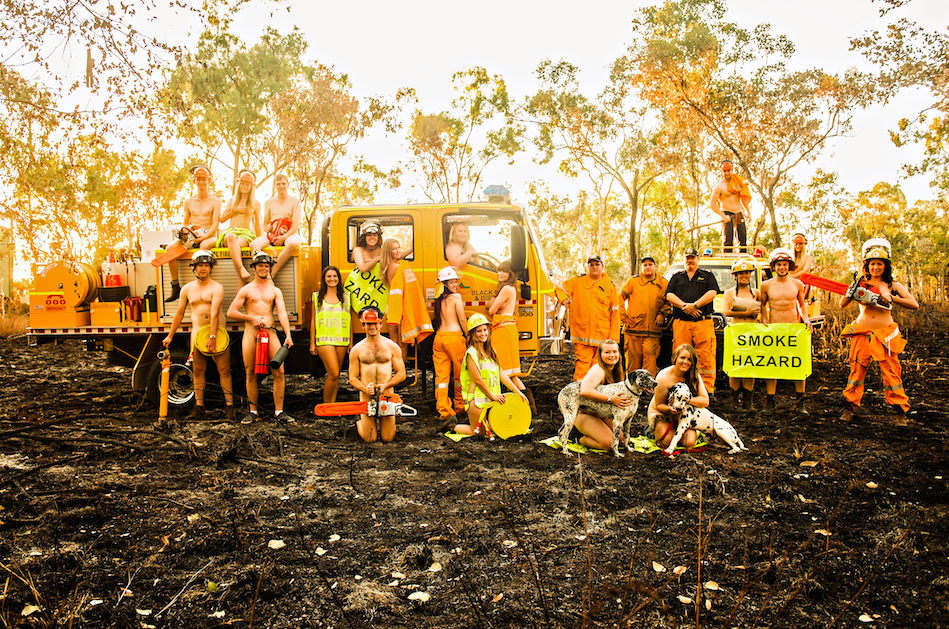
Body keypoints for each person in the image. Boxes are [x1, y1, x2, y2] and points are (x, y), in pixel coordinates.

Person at [839, 238, 919, 426]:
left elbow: (914, 304)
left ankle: (900, 412)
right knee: (857, 370)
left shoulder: (892, 285)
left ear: (886, 266)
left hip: (885, 332)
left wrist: (892, 298)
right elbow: (842, 304)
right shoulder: (861, 282)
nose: (876, 267)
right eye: (873, 264)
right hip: (862, 331)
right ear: (867, 265)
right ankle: (849, 407)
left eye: (879, 264)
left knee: (891, 372)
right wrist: (851, 292)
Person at [162, 250, 235, 421]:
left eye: (206, 265)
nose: (203, 269)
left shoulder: (217, 287)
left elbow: (215, 313)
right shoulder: (187, 289)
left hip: (217, 334)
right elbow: (180, 313)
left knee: (224, 370)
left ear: (211, 268)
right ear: (194, 267)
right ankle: (199, 407)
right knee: (198, 371)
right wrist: (170, 336)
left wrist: (212, 337)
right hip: (197, 334)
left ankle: (230, 408)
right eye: (200, 265)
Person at [227, 251, 294, 424]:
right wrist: (250, 318)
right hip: (251, 333)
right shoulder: (246, 289)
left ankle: (279, 411)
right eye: (260, 265)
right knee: (250, 373)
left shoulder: (275, 290)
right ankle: (253, 411)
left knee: (279, 372)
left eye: (266, 266)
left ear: (270, 268)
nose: (263, 268)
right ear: (254, 267)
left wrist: (288, 335)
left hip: (270, 333)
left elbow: (282, 313)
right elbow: (231, 312)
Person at [452, 313, 529, 436]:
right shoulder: (471, 354)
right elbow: (477, 379)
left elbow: (501, 374)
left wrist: (517, 392)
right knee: (477, 433)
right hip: (476, 399)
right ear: (472, 334)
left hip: (490, 399)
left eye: (484, 330)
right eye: (479, 331)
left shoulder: (491, 351)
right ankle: (452, 426)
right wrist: (493, 396)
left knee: (496, 426)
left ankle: (484, 423)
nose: (483, 334)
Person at [759, 247, 811, 414]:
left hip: (793, 329)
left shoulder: (797, 284)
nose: (782, 268)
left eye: (785, 264)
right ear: (774, 266)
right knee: (771, 365)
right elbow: (762, 305)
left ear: (789, 266)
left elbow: (802, 305)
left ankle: (800, 402)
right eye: (779, 265)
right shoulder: (765, 285)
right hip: (774, 329)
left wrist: (807, 319)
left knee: (798, 365)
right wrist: (764, 320)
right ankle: (770, 401)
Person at [664, 247, 721, 395]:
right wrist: (685, 306)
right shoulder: (677, 277)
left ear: (698, 259)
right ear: (684, 260)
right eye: (687, 258)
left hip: (703, 323)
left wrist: (695, 305)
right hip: (681, 323)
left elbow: (713, 292)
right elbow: (669, 295)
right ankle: (680, 388)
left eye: (692, 257)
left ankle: (707, 391)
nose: (690, 260)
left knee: (706, 357)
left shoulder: (707, 276)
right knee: (681, 356)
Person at [557, 255, 621, 381]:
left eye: (597, 264)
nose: (594, 267)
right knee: (582, 365)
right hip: (582, 334)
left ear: (603, 267)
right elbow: (560, 289)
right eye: (591, 265)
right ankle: (580, 393)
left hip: (602, 335)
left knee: (599, 366)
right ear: (588, 267)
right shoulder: (577, 281)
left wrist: (613, 340)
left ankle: (595, 393)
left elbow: (615, 314)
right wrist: (563, 298)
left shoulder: (610, 287)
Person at [164, 165, 222, 302]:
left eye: (204, 179)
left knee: (204, 248)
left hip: (209, 235)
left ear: (209, 180)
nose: (201, 182)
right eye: (198, 179)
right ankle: (175, 286)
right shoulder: (189, 202)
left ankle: (206, 285)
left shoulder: (216, 201)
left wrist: (205, 236)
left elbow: (215, 224)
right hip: (193, 233)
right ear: (194, 181)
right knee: (169, 249)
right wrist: (186, 232)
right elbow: (185, 223)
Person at [348, 306, 406, 443]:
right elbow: (352, 378)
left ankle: (388, 424)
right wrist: (364, 388)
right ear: (363, 325)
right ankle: (359, 420)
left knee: (388, 438)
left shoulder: (392, 347)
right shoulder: (357, 350)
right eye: (368, 324)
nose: (372, 327)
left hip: (387, 396)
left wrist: (386, 385)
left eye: (375, 323)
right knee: (370, 439)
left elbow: (402, 374)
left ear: (381, 323)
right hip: (366, 396)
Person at [563, 339, 632, 450]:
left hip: (602, 414)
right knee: (609, 444)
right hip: (586, 414)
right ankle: (577, 437)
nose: (612, 355)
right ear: (600, 354)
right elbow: (585, 390)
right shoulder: (599, 370)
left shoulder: (617, 370)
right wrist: (610, 399)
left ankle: (597, 431)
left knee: (624, 441)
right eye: (607, 352)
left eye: (615, 352)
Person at [486, 260, 535, 411]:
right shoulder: (508, 289)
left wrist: (493, 304)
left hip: (503, 331)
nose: (500, 274)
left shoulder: (506, 288)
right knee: (510, 373)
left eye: (504, 271)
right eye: (499, 271)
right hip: (507, 329)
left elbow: (491, 310)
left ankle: (526, 405)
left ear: (511, 274)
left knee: (503, 370)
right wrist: (493, 303)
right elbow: (491, 305)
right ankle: (528, 405)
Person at [646, 344, 710, 451]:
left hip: (683, 415)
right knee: (667, 441)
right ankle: (651, 430)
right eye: (682, 358)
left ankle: (679, 430)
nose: (685, 362)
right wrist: (669, 409)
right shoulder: (663, 377)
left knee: (688, 442)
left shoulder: (694, 376)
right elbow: (659, 405)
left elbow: (705, 401)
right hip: (662, 414)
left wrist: (687, 400)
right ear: (675, 358)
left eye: (689, 359)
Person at [619, 254, 671, 377]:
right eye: (645, 265)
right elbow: (620, 297)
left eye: (650, 265)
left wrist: (662, 314)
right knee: (632, 362)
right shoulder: (633, 282)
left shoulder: (664, 284)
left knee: (650, 360)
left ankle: (648, 390)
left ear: (655, 267)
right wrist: (623, 317)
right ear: (641, 268)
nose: (647, 267)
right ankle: (631, 388)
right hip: (633, 330)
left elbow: (669, 301)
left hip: (653, 331)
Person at [722, 258, 761, 410]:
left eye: (746, 273)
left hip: (752, 332)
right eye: (740, 274)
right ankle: (733, 401)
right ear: (735, 275)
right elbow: (726, 311)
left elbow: (762, 311)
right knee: (735, 366)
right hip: (736, 331)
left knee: (750, 367)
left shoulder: (756, 293)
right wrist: (746, 312)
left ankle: (748, 402)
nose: (744, 276)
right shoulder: (729, 293)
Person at [309, 266, 351, 404]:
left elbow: (349, 319)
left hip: (342, 340)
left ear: (338, 279)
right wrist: (312, 343)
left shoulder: (345, 297)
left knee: (336, 375)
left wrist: (350, 341)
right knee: (333, 373)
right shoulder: (317, 297)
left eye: (334, 276)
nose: (332, 279)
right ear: (324, 279)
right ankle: (326, 406)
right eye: (329, 276)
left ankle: (332, 405)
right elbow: (313, 321)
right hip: (324, 340)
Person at [433, 266, 468, 423]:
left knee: (441, 377)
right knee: (460, 375)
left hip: (439, 338)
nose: (455, 285)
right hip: (454, 339)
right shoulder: (456, 298)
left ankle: (445, 411)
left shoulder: (439, 299)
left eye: (456, 282)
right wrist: (469, 335)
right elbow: (461, 319)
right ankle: (460, 407)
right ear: (445, 284)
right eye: (452, 282)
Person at [249, 174, 302, 279]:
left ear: (288, 185)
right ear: (274, 186)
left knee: (291, 243)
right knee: (253, 245)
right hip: (272, 235)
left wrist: (283, 237)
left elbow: (295, 226)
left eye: (283, 183)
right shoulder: (269, 202)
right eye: (278, 184)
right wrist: (267, 228)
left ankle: (272, 272)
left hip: (290, 234)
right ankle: (264, 268)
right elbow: (265, 224)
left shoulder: (295, 202)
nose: (281, 186)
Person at [215, 169, 261, 283]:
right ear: (239, 184)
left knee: (236, 247)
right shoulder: (233, 200)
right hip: (231, 231)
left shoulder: (255, 203)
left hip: (245, 233)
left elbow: (257, 224)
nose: (244, 186)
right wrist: (234, 210)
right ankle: (241, 271)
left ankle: (241, 281)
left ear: (251, 186)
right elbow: (222, 219)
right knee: (230, 237)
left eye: (247, 184)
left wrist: (261, 240)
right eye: (243, 183)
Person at [380, 237, 417, 360]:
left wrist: (411, 249)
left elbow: (400, 256)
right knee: (402, 344)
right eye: (394, 249)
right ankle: (401, 371)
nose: (397, 251)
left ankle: (394, 369)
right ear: (388, 252)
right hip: (398, 306)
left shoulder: (389, 265)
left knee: (393, 342)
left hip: (390, 307)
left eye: (398, 247)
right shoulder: (396, 266)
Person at [710, 160, 752, 253]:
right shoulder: (719, 187)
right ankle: (727, 259)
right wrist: (724, 216)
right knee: (728, 241)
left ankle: (742, 260)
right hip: (727, 213)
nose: (727, 173)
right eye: (725, 171)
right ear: (721, 172)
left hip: (738, 212)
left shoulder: (737, 182)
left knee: (743, 239)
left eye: (729, 170)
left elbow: (743, 198)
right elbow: (712, 204)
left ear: (732, 170)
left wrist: (748, 212)